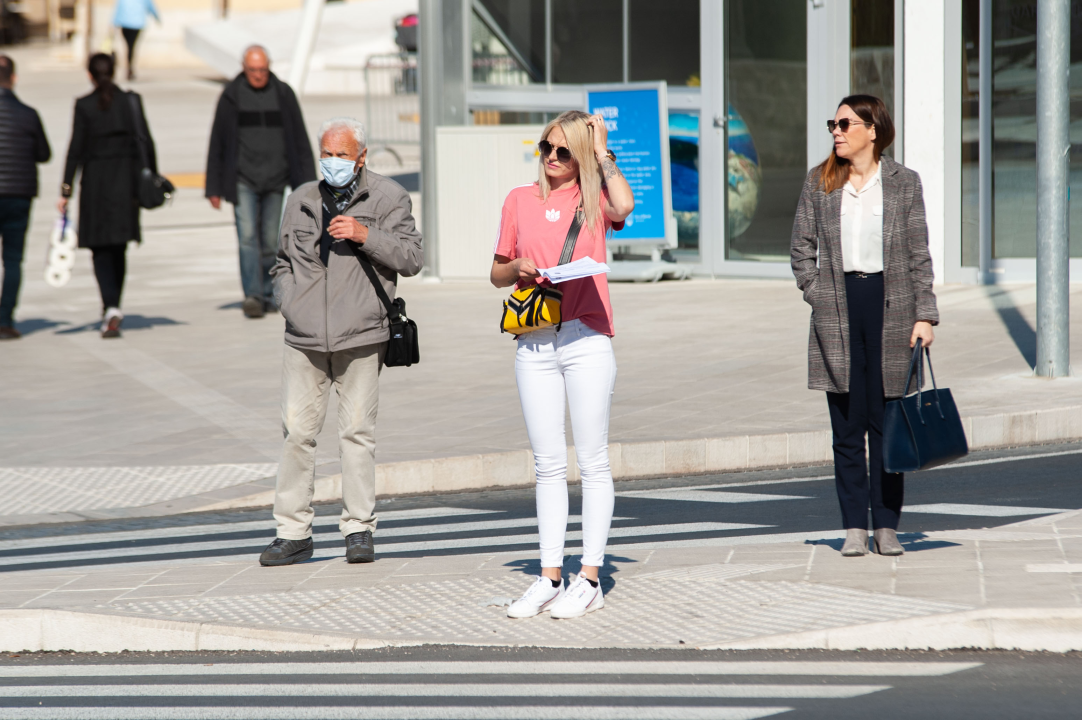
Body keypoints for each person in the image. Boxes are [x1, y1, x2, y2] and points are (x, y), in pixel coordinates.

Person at [259, 117, 422, 567]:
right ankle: (293, 532)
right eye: (326, 154)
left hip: (362, 335)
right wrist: (289, 303)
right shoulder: (301, 200)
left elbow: (412, 257)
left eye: (342, 155)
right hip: (304, 338)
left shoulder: (388, 196)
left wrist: (365, 234)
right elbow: (281, 263)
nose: (333, 162)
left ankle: (358, 529)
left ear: (362, 157)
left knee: (357, 434)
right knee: (296, 434)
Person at [491, 110, 634, 619]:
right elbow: (496, 271)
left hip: (586, 337)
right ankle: (550, 576)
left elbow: (625, 203)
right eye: (545, 148)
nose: (552, 159)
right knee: (547, 464)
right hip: (534, 341)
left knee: (592, 461)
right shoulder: (518, 199)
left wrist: (601, 152)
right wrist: (517, 268)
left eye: (563, 151)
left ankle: (589, 578)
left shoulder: (593, 197)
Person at [790, 94, 939, 558]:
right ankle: (854, 525)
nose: (836, 131)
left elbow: (919, 255)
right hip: (837, 306)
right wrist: (818, 293)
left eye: (845, 123)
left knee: (887, 423)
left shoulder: (903, 183)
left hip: (892, 307)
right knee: (848, 426)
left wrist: (925, 315)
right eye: (832, 123)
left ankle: (887, 526)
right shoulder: (820, 183)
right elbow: (801, 251)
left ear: (873, 131)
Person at [206, 45, 314, 320]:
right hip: (243, 180)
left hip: (276, 180)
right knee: (246, 238)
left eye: (263, 70)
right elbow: (218, 141)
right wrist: (214, 187)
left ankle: (268, 293)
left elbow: (299, 138)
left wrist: (309, 183)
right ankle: (252, 296)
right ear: (244, 68)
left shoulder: (283, 93)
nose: (258, 75)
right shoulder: (231, 95)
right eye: (253, 70)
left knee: (269, 241)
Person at [60, 53, 157, 339]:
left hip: (96, 185)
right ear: (114, 72)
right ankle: (114, 304)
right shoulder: (129, 102)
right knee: (118, 247)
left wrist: (65, 189)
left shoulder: (84, 105)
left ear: (89, 74)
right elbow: (145, 141)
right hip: (125, 183)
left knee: (100, 249)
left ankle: (110, 305)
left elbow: (75, 149)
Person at [0, 54, 51, 340]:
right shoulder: (28, 113)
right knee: (13, 260)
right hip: (19, 194)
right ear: (14, 78)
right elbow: (44, 154)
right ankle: (5, 320)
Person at [113, 0, 160, 81]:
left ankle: (129, 67)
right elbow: (151, 7)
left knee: (129, 46)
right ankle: (130, 67)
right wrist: (157, 18)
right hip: (136, 24)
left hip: (125, 23)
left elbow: (118, 9)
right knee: (131, 46)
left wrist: (114, 22)